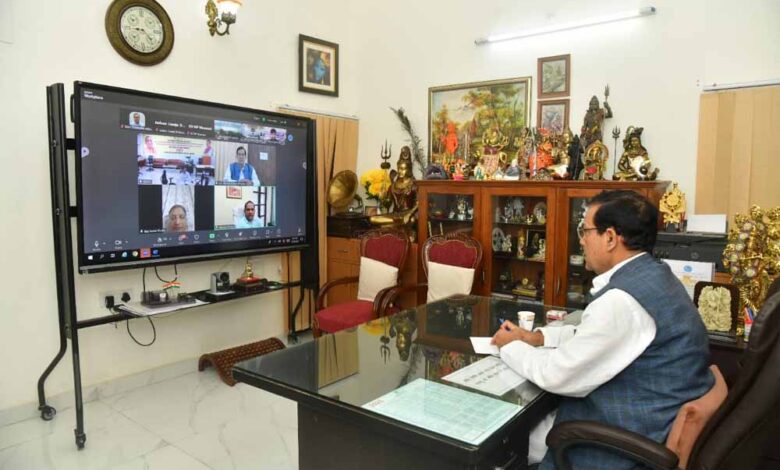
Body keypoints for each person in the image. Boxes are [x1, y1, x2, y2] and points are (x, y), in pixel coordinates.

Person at [491, 190, 714, 469]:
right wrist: (536, 337)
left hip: (619, 442)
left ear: (610, 238)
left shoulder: (622, 301)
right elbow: (596, 336)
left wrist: (510, 345)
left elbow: (555, 374)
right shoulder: (656, 275)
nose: (581, 240)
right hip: (649, 420)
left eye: (585, 231)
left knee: (501, 438)